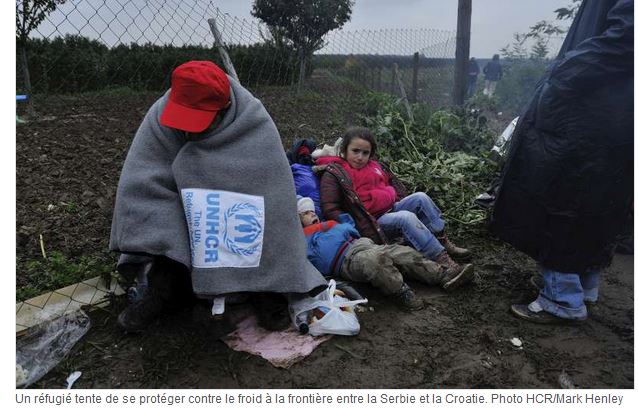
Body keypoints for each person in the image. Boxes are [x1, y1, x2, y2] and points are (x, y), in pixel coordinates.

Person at [110, 60, 326, 332]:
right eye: (184, 119)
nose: (189, 130)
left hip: (238, 215)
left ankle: (266, 292)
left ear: (223, 108)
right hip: (187, 213)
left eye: (199, 121)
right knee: (162, 222)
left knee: (264, 220)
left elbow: (274, 192)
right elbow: (143, 176)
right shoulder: (160, 116)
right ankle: (164, 294)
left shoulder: (254, 122)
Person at [490, 0, 633, 324]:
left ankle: (561, 298)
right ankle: (582, 286)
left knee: (564, 199)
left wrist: (565, 72)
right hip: (609, 111)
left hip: (592, 107)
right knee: (593, 201)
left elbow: (627, 35)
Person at [317, 127, 474, 280]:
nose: (360, 157)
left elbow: (395, 187)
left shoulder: (376, 166)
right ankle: (443, 261)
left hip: (390, 208)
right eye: (355, 151)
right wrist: (351, 227)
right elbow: (330, 207)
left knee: (420, 197)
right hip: (371, 221)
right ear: (345, 150)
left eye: (365, 153)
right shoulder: (335, 173)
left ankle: (441, 240)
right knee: (406, 217)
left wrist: (392, 196)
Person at [297, 197, 474, 311]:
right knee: (374, 261)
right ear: (297, 219)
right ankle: (400, 291)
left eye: (312, 210)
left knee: (402, 253)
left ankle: (442, 275)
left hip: (361, 244)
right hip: (345, 260)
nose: (312, 213)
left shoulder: (328, 224)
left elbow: (348, 227)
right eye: (305, 213)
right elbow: (311, 260)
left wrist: (352, 234)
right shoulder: (302, 239)